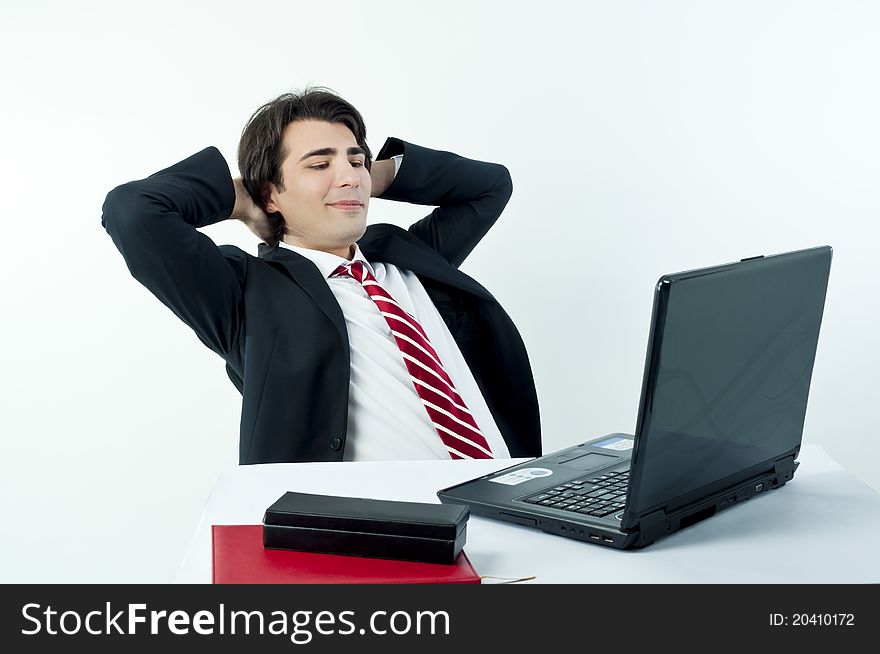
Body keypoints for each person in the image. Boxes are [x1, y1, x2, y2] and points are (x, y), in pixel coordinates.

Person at [102, 87, 540, 464]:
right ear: (271, 191)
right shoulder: (245, 293)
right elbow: (132, 212)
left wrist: (372, 172)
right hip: (386, 533)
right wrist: (243, 198)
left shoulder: (410, 256)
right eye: (319, 164)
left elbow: (491, 185)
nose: (348, 177)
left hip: (512, 497)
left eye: (354, 161)